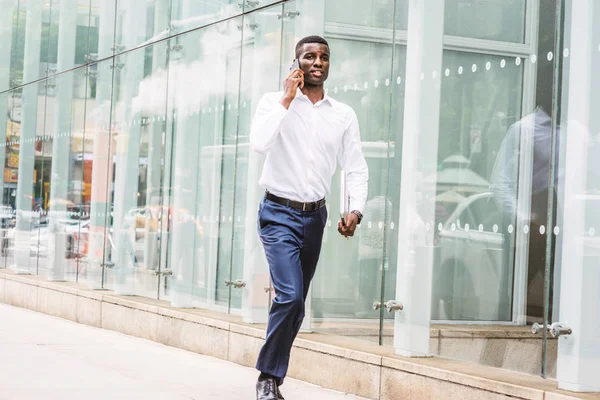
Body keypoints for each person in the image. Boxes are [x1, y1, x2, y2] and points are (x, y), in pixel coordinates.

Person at [250, 35, 369, 400]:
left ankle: (273, 374)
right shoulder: (274, 103)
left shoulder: (342, 114)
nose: (317, 62)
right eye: (309, 57)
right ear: (296, 63)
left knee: (297, 303)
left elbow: (354, 167)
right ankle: (267, 378)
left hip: (315, 218)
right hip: (277, 213)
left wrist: (355, 209)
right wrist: (287, 97)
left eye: (323, 57)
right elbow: (259, 142)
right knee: (288, 296)